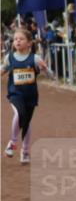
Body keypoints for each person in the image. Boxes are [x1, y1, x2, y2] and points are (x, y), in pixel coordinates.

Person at [2, 28, 50, 164]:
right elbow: (3, 70)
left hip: (30, 95)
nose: (17, 41)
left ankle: (25, 151)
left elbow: (50, 75)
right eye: (15, 39)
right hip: (15, 93)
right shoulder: (9, 57)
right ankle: (12, 142)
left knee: (26, 122)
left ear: (29, 43)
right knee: (19, 114)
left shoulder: (34, 58)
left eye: (21, 39)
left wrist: (46, 69)